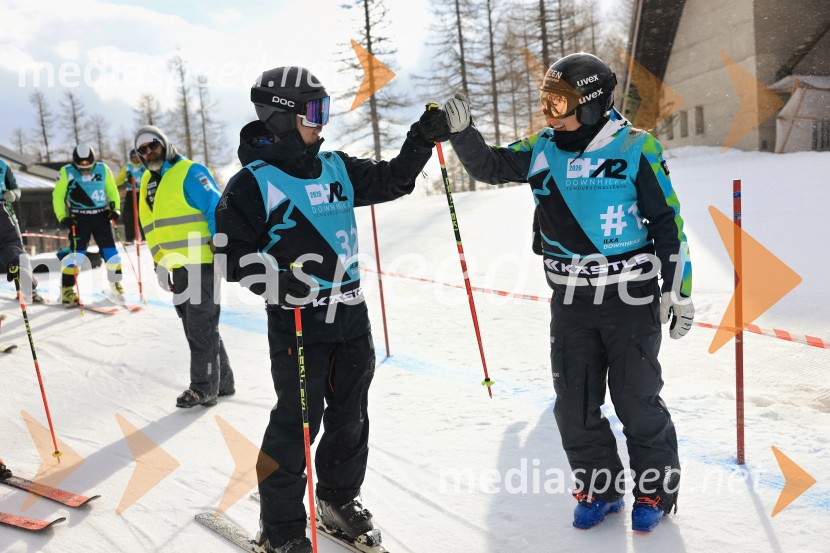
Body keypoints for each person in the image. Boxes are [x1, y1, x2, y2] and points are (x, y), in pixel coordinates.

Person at [433, 53, 694, 533]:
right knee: (573, 403)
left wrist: (678, 289)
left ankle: (655, 489)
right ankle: (599, 487)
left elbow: (667, 222)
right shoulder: (542, 147)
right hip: (571, 300)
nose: (551, 113)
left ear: (593, 105)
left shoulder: (638, 147)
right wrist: (464, 132)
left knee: (637, 400)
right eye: (546, 102)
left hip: (630, 297)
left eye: (561, 103)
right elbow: (490, 166)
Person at [215, 66, 442, 553]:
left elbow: (394, 180)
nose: (323, 122)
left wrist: (421, 139)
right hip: (300, 322)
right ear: (280, 117)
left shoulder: (336, 166)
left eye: (325, 110)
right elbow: (229, 256)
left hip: (351, 318)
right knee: (297, 422)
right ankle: (280, 527)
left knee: (351, 416)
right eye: (313, 112)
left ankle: (338, 499)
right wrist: (275, 280)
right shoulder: (253, 182)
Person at [134, 125, 234, 408]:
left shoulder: (189, 171)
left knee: (201, 325)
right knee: (195, 325)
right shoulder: (146, 181)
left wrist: (219, 243)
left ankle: (203, 387)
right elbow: (150, 226)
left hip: (201, 258)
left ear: (164, 144)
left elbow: (214, 206)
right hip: (175, 264)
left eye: (153, 145)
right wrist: (159, 262)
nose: (149, 152)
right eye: (143, 149)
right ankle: (223, 381)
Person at [52, 144, 123, 304]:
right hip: (79, 218)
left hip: (101, 216)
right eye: (81, 165)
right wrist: (63, 217)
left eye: (88, 165)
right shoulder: (66, 171)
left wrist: (115, 208)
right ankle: (67, 290)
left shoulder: (103, 169)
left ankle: (115, 283)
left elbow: (112, 190)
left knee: (111, 252)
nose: (85, 168)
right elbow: (57, 196)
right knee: (77, 254)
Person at [1, 159, 43, 302]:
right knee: (12, 246)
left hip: (6, 210)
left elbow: (16, 189)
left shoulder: (3, 165)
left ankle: (28, 290)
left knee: (16, 249)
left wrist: (13, 194)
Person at [115, 149, 147, 243]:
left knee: (143, 215)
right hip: (131, 193)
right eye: (133, 157)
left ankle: (145, 236)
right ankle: (130, 238)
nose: (135, 159)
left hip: (142, 193)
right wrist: (114, 185)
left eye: (137, 157)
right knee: (128, 216)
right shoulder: (128, 167)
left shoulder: (144, 165)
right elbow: (119, 179)